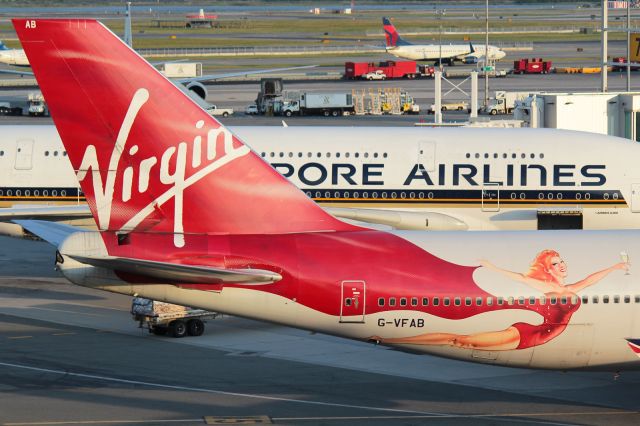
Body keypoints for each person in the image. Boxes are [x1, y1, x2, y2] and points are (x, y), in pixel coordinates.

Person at [372, 250, 628, 351]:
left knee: (460, 340)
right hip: (531, 334)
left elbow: (590, 281)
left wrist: (614, 267)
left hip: (543, 333)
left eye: (561, 261)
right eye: (555, 263)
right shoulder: (545, 286)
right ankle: (391, 340)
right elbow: (518, 277)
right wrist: (491, 267)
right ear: (547, 270)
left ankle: (390, 340)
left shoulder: (570, 288)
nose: (561, 265)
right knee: (460, 340)